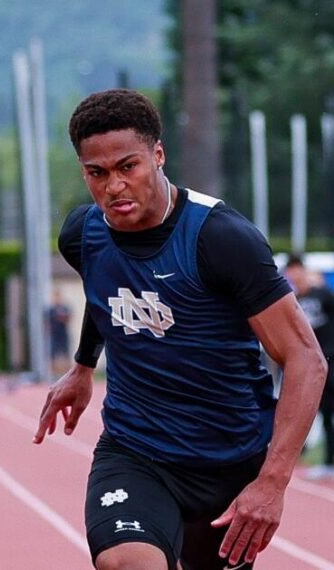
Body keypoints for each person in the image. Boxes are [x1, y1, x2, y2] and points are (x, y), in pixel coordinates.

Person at [33, 89, 327, 570]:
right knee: (126, 562)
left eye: (128, 166)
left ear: (158, 155)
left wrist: (272, 483)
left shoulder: (221, 239)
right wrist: (83, 367)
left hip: (229, 460)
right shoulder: (82, 234)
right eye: (97, 173)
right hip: (137, 451)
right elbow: (105, 291)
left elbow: (305, 359)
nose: (114, 187)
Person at [284, 254, 334, 480]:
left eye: (297, 269)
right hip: (315, 365)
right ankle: (328, 461)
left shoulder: (322, 294)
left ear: (303, 270)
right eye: (290, 271)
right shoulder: (294, 300)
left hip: (332, 359)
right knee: (324, 412)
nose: (294, 274)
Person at [48, 289, 72, 373]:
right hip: (54, 334)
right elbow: (48, 322)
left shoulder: (65, 308)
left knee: (66, 353)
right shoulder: (51, 309)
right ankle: (53, 372)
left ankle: (68, 372)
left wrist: (62, 317)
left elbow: (68, 319)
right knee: (53, 353)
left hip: (63, 334)